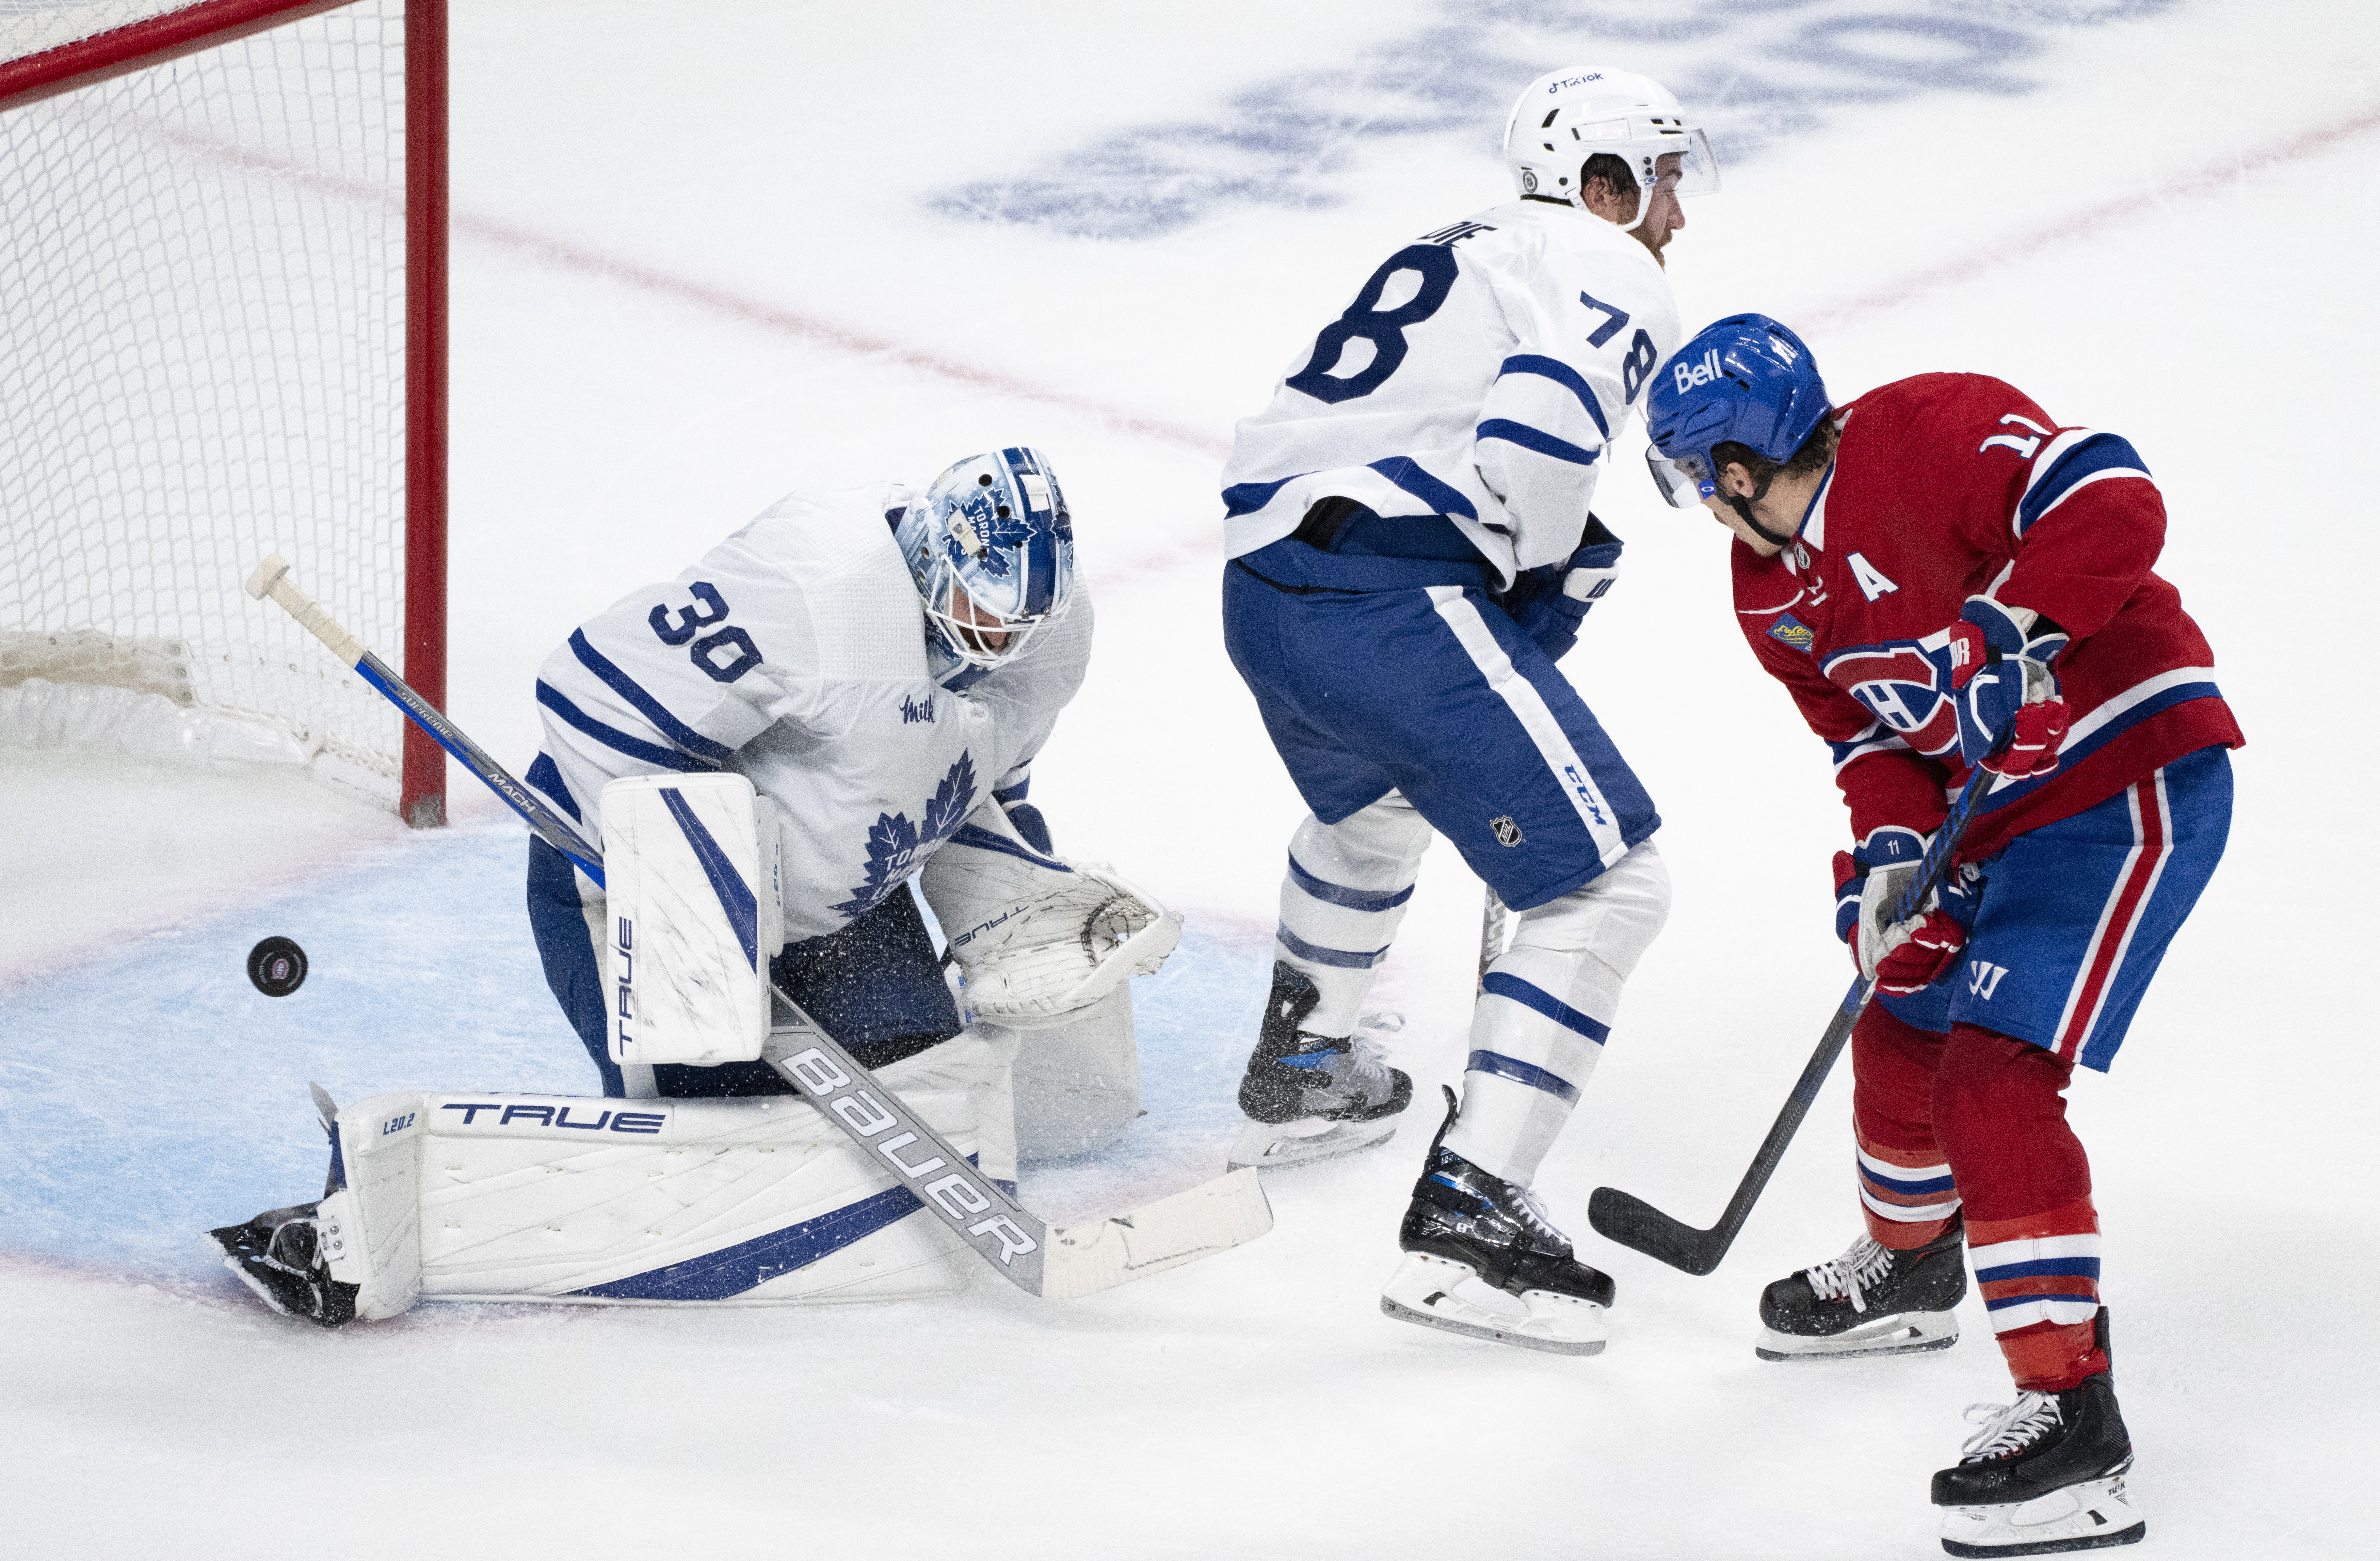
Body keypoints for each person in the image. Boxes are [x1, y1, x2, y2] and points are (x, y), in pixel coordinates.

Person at [208, 447, 1178, 1325]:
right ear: (932, 557)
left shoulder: (1050, 636)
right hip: (635, 896)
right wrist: (700, 924)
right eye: (982, 614)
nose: (998, 646)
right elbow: (590, 702)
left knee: (926, 1109)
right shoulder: (815, 589)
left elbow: (987, 784)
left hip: (841, 908)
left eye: (1020, 626)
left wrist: (1011, 908)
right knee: (716, 1148)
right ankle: (364, 1219)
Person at [1643, 316, 2239, 1554]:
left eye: (1705, 482)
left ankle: (2074, 1422)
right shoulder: (1767, 589)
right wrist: (1898, 856)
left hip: (2122, 776)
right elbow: (1869, 739)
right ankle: (1912, 1267)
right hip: (1990, 814)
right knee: (1901, 1018)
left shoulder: (1926, 429)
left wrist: (2015, 620)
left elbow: (2115, 493)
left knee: (1993, 1081)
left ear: (1739, 472)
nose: (1706, 507)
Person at [1215, 66, 1719, 1355]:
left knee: (1374, 813)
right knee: (1610, 885)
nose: (1677, 212)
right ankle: (1472, 1218)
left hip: (1266, 592)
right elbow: (1542, 440)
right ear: (1602, 183)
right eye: (1661, 180)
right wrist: (1539, 577)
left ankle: (1304, 1066)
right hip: (1384, 598)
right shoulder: (1610, 263)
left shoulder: (1466, 244)